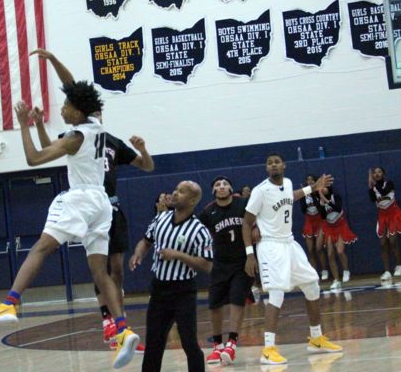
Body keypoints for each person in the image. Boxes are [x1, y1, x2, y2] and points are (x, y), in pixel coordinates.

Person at [0, 79, 139, 370]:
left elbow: (34, 158)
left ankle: (9, 303)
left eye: (66, 106)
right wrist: (39, 125)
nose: (61, 110)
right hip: (102, 203)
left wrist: (23, 124)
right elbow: (55, 146)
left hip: (81, 198)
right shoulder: (98, 130)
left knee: (40, 248)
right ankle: (123, 329)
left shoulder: (76, 136)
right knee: (101, 273)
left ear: (79, 111)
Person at [29, 48, 154, 353]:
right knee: (100, 267)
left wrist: (143, 149)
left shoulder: (110, 139)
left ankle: (121, 326)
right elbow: (71, 89)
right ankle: (108, 321)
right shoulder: (77, 136)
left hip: (111, 206)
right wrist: (54, 62)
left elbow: (146, 166)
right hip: (91, 203)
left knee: (116, 269)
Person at [242, 152, 342, 365]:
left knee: (312, 285)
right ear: (266, 168)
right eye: (269, 163)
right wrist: (250, 254)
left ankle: (316, 339)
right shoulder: (260, 191)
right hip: (270, 246)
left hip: (289, 243)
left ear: (284, 165)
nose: (273, 165)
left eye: (276, 162)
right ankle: (268, 349)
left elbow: (290, 196)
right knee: (276, 294)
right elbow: (246, 223)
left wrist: (313, 188)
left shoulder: (287, 183)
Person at [129, 181, 213, 372]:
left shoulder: (199, 230)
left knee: (189, 343)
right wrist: (138, 253)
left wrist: (178, 255)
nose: (175, 193)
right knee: (154, 343)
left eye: (181, 192)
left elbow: (207, 265)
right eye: (175, 189)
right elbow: (146, 241)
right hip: (159, 290)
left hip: (183, 291)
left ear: (192, 200)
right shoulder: (161, 218)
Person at [197, 176, 254, 366]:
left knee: (237, 299)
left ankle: (232, 344)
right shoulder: (208, 211)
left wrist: (257, 228)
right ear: (213, 191)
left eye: (225, 184)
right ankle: (217, 347)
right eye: (217, 185)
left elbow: (258, 217)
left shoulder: (243, 203)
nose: (221, 187)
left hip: (242, 262)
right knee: (214, 304)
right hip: (220, 263)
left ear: (231, 188)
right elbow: (195, 230)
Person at [368, 167, 401, 281]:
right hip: (382, 216)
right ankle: (387, 271)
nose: (377, 174)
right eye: (375, 173)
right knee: (383, 244)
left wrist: (374, 185)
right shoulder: (373, 187)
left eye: (379, 172)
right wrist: (370, 187)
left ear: (384, 174)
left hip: (393, 214)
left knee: (393, 241)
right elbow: (372, 199)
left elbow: (383, 192)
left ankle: (398, 266)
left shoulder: (389, 184)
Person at [315, 182, 357, 291]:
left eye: (324, 187)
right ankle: (336, 280)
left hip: (340, 225)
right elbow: (323, 216)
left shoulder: (335, 196)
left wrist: (325, 200)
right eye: (321, 188)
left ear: (329, 188)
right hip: (329, 227)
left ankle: (346, 270)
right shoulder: (319, 201)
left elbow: (337, 208)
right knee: (330, 254)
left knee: (340, 251)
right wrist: (321, 203)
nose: (322, 189)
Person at [300, 175, 328, 280]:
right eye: (308, 180)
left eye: (312, 180)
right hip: (309, 221)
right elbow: (303, 210)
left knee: (319, 248)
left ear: (315, 181)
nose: (310, 181)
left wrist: (313, 193)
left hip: (319, 221)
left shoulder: (319, 191)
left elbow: (320, 207)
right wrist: (304, 195)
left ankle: (324, 270)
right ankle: (314, 274)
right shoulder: (303, 194)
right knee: (310, 250)